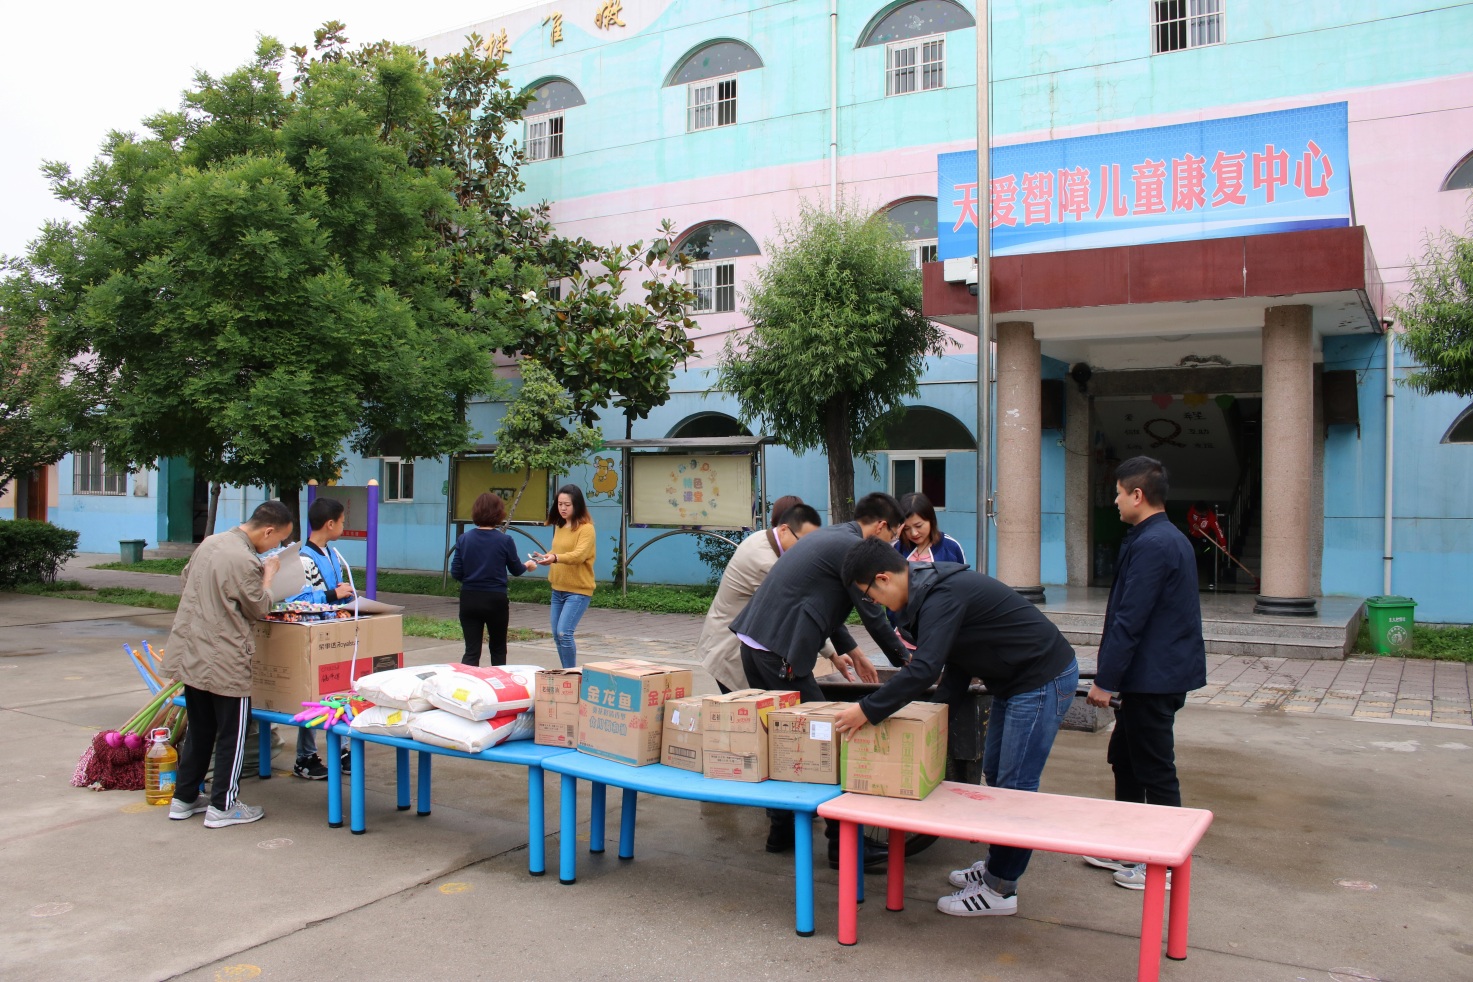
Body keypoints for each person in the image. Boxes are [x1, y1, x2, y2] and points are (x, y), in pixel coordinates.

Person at [834, 536, 1080, 917]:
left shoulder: (940, 595)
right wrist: (931, 715)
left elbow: (924, 669)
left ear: (883, 578)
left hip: (1041, 679)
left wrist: (866, 710)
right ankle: (997, 866)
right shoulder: (927, 592)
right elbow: (958, 663)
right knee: (997, 774)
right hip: (1015, 683)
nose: (875, 604)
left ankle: (1001, 889)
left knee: (1015, 788)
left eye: (870, 596)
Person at [729, 491, 912, 864]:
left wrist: (854, 652)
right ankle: (842, 844)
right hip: (778, 652)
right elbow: (873, 613)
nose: (892, 546)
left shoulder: (833, 536)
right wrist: (908, 662)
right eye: (894, 536)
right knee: (829, 739)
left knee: (784, 739)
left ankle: (781, 831)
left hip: (758, 644)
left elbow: (823, 599)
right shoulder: (852, 549)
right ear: (881, 526)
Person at [1085, 456, 1207, 890]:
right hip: (1149, 675)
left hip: (1154, 679)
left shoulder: (1155, 544)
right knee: (1126, 759)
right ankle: (1128, 844)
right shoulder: (1156, 537)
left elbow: (1130, 618)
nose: (1115, 501)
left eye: (1119, 494)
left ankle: (1166, 864)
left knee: (1155, 769)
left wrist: (1105, 680)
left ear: (1137, 495)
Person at [163, 500, 294, 828]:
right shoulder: (245, 560)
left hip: (192, 652)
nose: (274, 548)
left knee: (200, 729)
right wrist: (269, 575)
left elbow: (185, 580)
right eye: (277, 541)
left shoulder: (211, 543)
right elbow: (259, 607)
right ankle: (223, 805)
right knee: (232, 734)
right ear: (268, 531)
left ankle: (184, 798)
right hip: (224, 659)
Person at [696, 497, 822, 696]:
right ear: (784, 528)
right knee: (752, 712)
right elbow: (798, 608)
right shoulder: (765, 562)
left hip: (739, 644)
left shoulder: (763, 538)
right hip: (730, 650)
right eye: (802, 539)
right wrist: (833, 653)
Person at [286, 496, 355, 780]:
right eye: (341, 522)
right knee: (313, 697)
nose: (343, 526)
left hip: (334, 632)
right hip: (314, 636)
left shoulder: (333, 554)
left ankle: (343, 751)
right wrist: (332, 594)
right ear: (330, 524)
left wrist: (344, 595)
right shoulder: (304, 559)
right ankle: (305, 757)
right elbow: (297, 600)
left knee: (340, 692)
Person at [452, 492, 537, 668]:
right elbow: (516, 570)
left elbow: (456, 572)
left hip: (469, 598)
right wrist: (528, 565)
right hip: (495, 599)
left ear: (476, 512)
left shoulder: (464, 539)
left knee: (471, 651)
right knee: (498, 649)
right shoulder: (505, 540)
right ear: (499, 513)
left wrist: (471, 580)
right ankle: (498, 682)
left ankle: (466, 683)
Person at [529, 484, 596, 669]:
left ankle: (571, 674)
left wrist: (555, 558)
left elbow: (578, 555)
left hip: (578, 592)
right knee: (557, 635)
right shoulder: (560, 525)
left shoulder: (587, 528)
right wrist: (546, 557)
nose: (563, 508)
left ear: (577, 505)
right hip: (557, 589)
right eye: (560, 504)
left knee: (564, 633)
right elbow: (557, 550)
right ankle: (567, 673)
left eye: (567, 504)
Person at [895, 492, 967, 564]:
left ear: (931, 520)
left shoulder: (951, 547)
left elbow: (963, 571)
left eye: (918, 526)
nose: (914, 533)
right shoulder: (897, 547)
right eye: (906, 528)